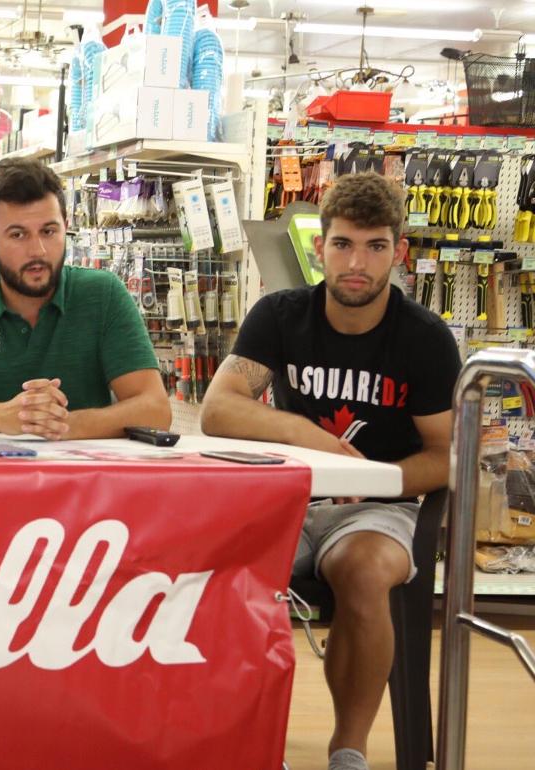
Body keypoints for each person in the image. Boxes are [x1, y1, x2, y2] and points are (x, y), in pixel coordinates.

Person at [199, 172, 460, 770]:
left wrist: (368, 481)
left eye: (374, 247)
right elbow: (219, 408)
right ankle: (239, 739)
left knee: (363, 571)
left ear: (398, 251)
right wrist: (311, 438)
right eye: (343, 244)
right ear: (319, 247)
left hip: (381, 509)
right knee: (216, 566)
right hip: (288, 498)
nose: (356, 263)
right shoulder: (280, 315)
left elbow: (444, 455)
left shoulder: (423, 338)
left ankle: (349, 750)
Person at [0, 158, 169, 439]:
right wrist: (1, 416)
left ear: (65, 227)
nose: (37, 250)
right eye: (18, 234)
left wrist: (63, 424)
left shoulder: (103, 294)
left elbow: (155, 410)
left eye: (49, 232)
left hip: (84, 479)